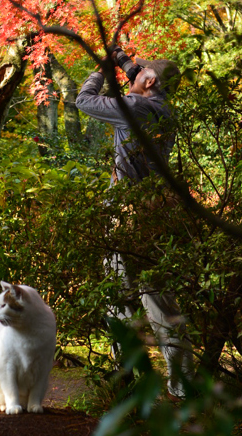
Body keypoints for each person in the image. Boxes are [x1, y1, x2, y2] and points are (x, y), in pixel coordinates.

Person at [75, 46, 193, 397]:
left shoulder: (138, 107)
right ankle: (179, 384)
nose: (132, 72)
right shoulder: (161, 108)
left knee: (129, 296)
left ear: (151, 79)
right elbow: (138, 82)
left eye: (140, 71)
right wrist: (131, 68)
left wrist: (102, 68)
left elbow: (84, 100)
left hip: (128, 211)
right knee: (153, 295)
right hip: (155, 208)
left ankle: (129, 378)